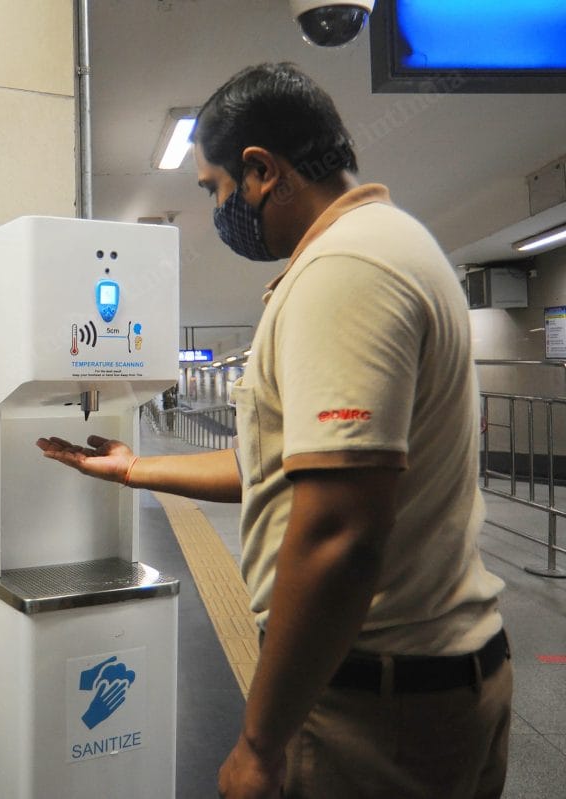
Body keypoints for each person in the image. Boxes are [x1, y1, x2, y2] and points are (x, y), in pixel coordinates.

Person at [37, 63, 510, 799]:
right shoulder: (394, 240)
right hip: (435, 682)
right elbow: (287, 467)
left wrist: (261, 739)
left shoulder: (345, 269)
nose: (217, 208)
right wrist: (135, 469)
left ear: (260, 171)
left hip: (374, 708)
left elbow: (339, 534)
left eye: (214, 189)